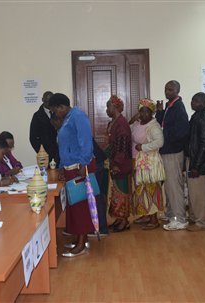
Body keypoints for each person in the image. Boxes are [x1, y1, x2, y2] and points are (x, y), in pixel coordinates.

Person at [50, 93, 95, 257]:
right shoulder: (68, 118)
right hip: (70, 167)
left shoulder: (77, 116)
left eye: (55, 110)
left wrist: (84, 163)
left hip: (78, 167)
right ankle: (79, 239)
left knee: (80, 206)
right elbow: (66, 144)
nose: (55, 114)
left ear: (61, 107)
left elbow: (86, 142)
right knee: (75, 206)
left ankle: (82, 244)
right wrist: (62, 166)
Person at [155, 80, 190, 231]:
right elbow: (164, 124)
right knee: (169, 186)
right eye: (166, 89)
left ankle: (179, 218)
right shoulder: (170, 106)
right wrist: (160, 112)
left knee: (174, 185)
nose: (167, 92)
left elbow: (181, 131)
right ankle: (171, 214)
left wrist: (165, 137)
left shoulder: (178, 107)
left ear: (177, 90)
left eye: (170, 89)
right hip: (167, 150)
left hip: (173, 151)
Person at [131, 98, 165, 230]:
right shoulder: (137, 124)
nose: (143, 114)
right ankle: (145, 214)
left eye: (146, 111)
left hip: (149, 163)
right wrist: (134, 118)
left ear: (152, 113)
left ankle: (154, 219)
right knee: (140, 190)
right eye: (141, 111)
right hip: (138, 161)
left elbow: (159, 142)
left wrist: (143, 147)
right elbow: (128, 129)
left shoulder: (154, 126)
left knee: (151, 188)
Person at [185, 92, 205, 231]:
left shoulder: (204, 118)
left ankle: (202, 222)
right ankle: (194, 218)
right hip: (193, 159)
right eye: (192, 100)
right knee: (193, 192)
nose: (192, 102)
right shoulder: (196, 116)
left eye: (196, 101)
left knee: (200, 194)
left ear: (204, 103)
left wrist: (196, 166)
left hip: (199, 163)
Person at [105, 95, 133, 233]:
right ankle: (118, 218)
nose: (106, 110)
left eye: (108, 106)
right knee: (116, 192)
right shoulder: (114, 122)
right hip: (115, 162)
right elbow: (112, 145)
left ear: (115, 107)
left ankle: (124, 221)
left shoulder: (121, 123)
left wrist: (116, 163)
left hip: (121, 164)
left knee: (122, 192)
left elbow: (122, 146)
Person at [29, 91, 59, 163]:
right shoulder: (37, 116)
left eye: (51, 101)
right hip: (45, 153)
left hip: (60, 152)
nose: (49, 103)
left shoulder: (59, 112)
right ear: (42, 100)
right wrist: (41, 152)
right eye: (46, 101)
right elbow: (33, 137)